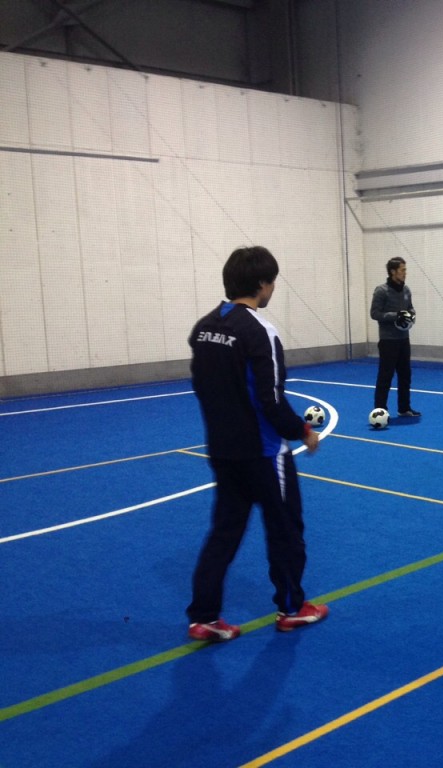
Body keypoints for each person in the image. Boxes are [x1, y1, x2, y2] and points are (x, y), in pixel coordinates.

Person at [186, 245, 329, 642]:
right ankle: (292, 609)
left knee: (224, 532)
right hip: (264, 454)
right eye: (273, 282)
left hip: (222, 451)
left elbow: (203, 388)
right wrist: (302, 431)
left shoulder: (203, 329)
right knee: (285, 530)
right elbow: (271, 400)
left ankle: (204, 617)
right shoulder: (260, 332)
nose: (273, 289)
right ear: (262, 284)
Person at [370, 256, 421, 417]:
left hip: (404, 339)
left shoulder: (406, 290)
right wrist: (396, 316)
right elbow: (375, 313)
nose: (405, 273)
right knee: (385, 376)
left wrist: (411, 316)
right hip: (388, 341)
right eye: (402, 270)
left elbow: (410, 308)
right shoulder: (381, 291)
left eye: (405, 270)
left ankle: (404, 408)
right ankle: (380, 410)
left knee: (405, 375)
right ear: (393, 272)